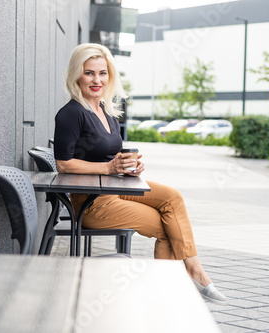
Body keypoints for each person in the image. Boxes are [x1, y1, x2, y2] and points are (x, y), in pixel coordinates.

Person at [53, 43, 228, 305]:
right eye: (89, 73)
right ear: (77, 74)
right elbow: (63, 164)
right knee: (169, 229)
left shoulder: (107, 112)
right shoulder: (71, 114)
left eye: (102, 73)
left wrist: (128, 166)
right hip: (91, 203)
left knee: (172, 197)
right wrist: (108, 168)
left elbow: (108, 156)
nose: (97, 79)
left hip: (116, 188)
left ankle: (191, 273)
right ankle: (178, 285)